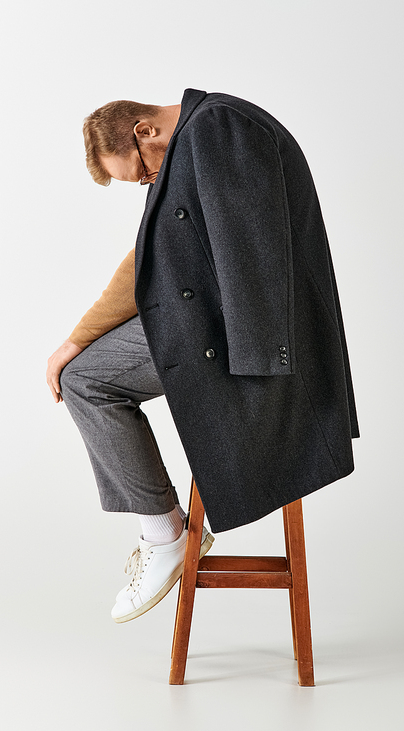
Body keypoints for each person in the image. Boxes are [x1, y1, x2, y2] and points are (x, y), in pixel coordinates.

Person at [46, 88, 359, 624]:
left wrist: (259, 366)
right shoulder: (194, 139)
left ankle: (164, 533)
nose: (146, 183)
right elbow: (146, 261)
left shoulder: (218, 127)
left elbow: (253, 245)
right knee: (81, 374)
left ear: (144, 131)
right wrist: (75, 341)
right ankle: (162, 528)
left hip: (240, 337)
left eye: (139, 173)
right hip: (208, 322)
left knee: (85, 382)